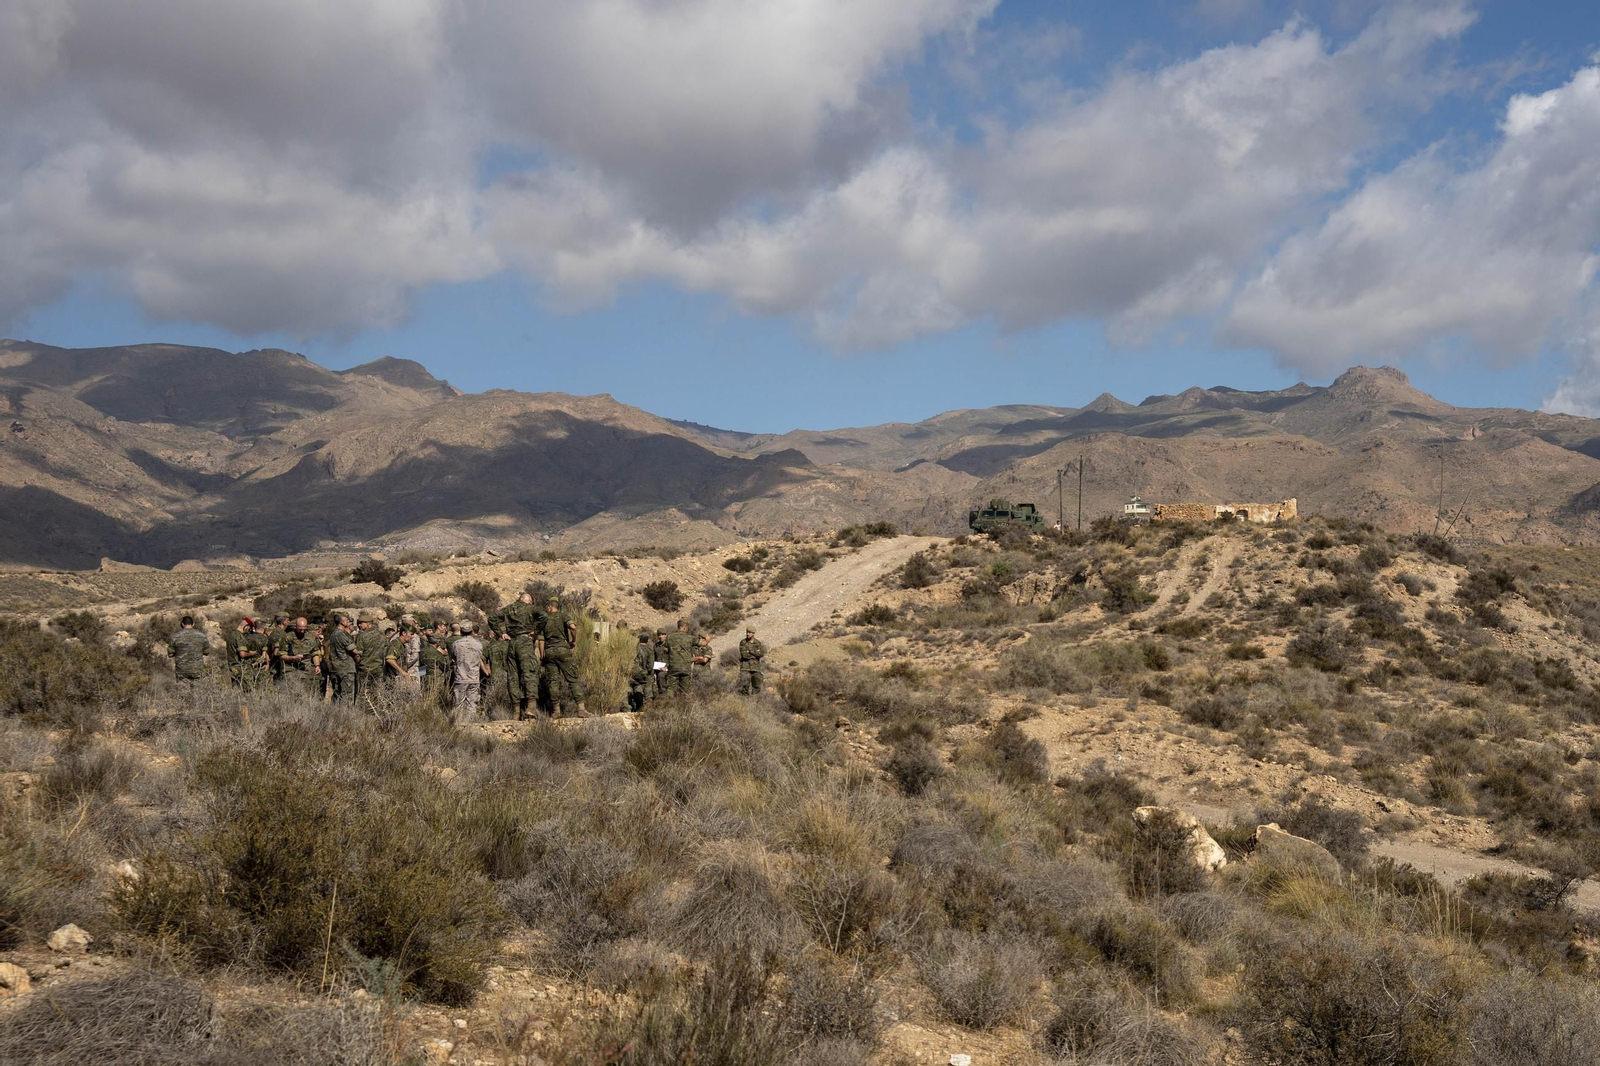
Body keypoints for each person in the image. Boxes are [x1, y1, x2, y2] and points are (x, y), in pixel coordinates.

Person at [536, 595, 587, 718]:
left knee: (553, 681)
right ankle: (581, 709)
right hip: (563, 650)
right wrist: (573, 640)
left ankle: (556, 711)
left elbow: (541, 641)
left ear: (549, 607)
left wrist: (542, 657)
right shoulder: (564, 616)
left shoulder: (544, 619)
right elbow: (573, 627)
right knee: (572, 679)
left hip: (549, 652)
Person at [494, 591, 542, 718]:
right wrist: (536, 632)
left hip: (512, 643)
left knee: (513, 677)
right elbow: (544, 616)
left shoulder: (509, 609)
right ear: (528, 601)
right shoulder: (530, 608)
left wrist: (501, 633)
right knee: (529, 673)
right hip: (525, 642)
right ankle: (531, 707)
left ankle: (516, 712)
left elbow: (492, 618)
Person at [450, 620, 488, 720]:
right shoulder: (478, 644)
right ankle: (471, 725)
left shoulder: (456, 644)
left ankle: (458, 725)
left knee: (458, 704)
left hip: (460, 677)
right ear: (471, 631)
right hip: (474, 677)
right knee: (472, 705)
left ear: (461, 631)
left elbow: (453, 657)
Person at [353, 613, 390, 708]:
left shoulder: (362, 636)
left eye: (361, 623)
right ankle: (376, 711)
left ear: (368, 624)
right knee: (377, 692)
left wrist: (357, 664)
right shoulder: (382, 635)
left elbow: (358, 654)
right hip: (378, 668)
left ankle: (363, 713)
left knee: (363, 693)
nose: (359, 625)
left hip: (364, 668)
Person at [280, 617, 321, 695]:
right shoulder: (288, 637)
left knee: (306, 694)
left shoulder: (311, 638)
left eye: (304, 629)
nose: (302, 631)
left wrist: (317, 665)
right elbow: (282, 655)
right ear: (296, 627)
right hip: (291, 670)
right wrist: (293, 658)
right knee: (292, 694)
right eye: (300, 629)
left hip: (306, 670)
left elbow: (315, 653)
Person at [168, 615, 209, 686]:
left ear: (182, 624)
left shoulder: (175, 637)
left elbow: (170, 654)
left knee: (183, 693)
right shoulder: (202, 636)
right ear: (193, 624)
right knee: (198, 693)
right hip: (197, 669)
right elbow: (206, 652)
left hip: (182, 670)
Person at [327, 613, 358, 703]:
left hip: (336, 667)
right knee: (347, 695)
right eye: (346, 620)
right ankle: (345, 715)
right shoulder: (341, 634)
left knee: (337, 693)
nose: (348, 622)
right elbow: (354, 650)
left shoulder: (333, 633)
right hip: (345, 668)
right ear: (341, 622)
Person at [662, 620, 695, 695]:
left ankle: (669, 704)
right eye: (687, 628)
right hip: (685, 667)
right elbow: (702, 643)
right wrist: (708, 639)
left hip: (673, 667)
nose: (688, 629)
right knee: (685, 691)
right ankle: (684, 704)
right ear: (684, 627)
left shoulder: (670, 637)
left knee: (670, 689)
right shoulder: (690, 638)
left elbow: (665, 650)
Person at [629, 631, 655, 711]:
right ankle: (648, 708)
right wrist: (646, 672)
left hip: (634, 674)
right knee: (648, 689)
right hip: (645, 674)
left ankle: (638, 708)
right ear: (647, 641)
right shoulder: (649, 650)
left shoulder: (634, 649)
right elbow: (650, 666)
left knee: (637, 689)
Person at [738, 628, 766, 694]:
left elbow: (761, 654)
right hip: (745, 667)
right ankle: (744, 700)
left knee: (757, 685)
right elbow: (744, 655)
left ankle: (754, 700)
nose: (747, 634)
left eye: (749, 632)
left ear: (753, 633)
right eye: (747, 632)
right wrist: (755, 654)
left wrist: (750, 651)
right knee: (744, 686)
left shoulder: (758, 643)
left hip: (756, 667)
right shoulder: (743, 642)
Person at [266, 613, 291, 683]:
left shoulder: (274, 632)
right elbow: (276, 652)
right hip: (279, 666)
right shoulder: (280, 633)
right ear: (283, 622)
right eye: (288, 620)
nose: (289, 622)